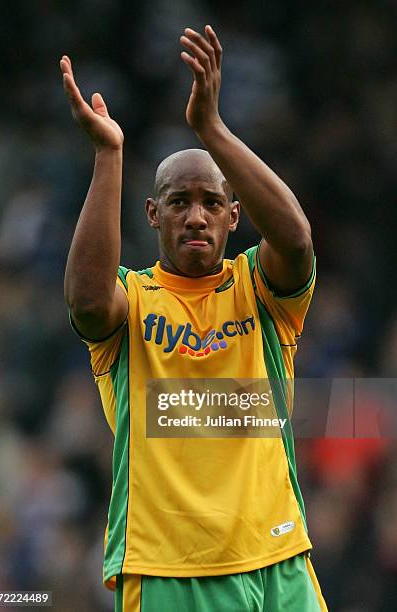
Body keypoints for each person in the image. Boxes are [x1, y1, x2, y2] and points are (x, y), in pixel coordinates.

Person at [61, 24, 327, 612]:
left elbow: (299, 242)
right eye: (179, 203)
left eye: (212, 203)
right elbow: (85, 302)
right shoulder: (133, 302)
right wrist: (109, 154)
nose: (197, 217)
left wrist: (212, 128)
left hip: (281, 556)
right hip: (173, 568)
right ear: (153, 215)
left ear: (236, 216)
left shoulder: (258, 288)